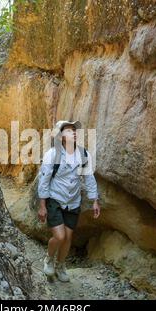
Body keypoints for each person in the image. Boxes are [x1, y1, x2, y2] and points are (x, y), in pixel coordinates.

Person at [37, 120, 100, 282]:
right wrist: (42, 206)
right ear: (61, 137)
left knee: (68, 238)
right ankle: (49, 259)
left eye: (74, 129)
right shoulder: (53, 154)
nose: (73, 132)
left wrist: (94, 200)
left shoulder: (84, 154)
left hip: (73, 202)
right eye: (69, 130)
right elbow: (44, 180)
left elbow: (89, 178)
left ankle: (61, 265)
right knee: (60, 237)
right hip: (55, 199)